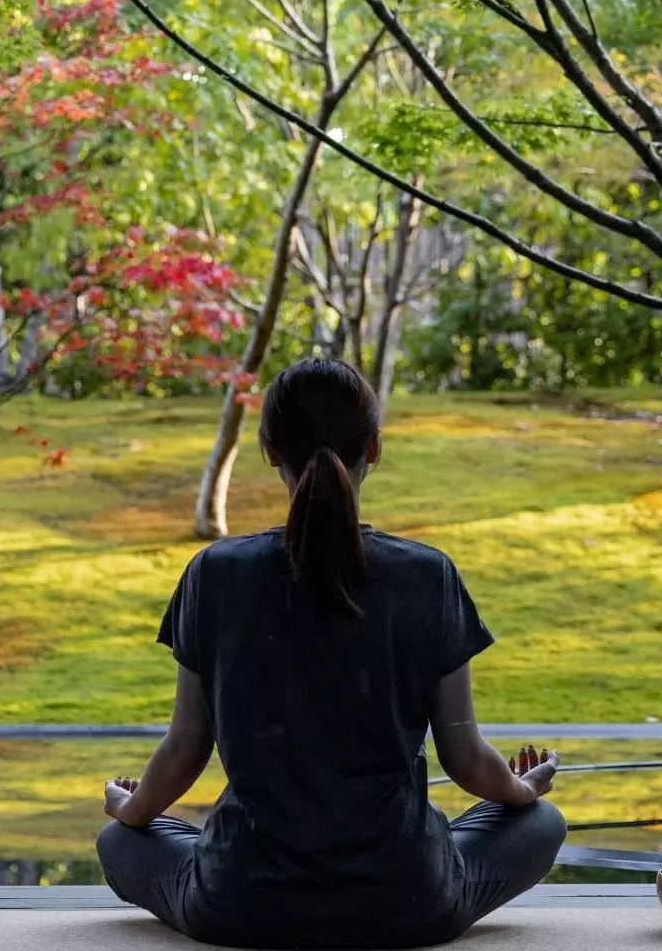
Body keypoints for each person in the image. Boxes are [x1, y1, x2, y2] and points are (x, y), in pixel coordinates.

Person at [96, 358, 565, 949]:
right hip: (406, 902)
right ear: (374, 447)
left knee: (118, 841)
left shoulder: (214, 573)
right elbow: (466, 759)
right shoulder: (427, 576)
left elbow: (187, 748)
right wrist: (527, 791)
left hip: (242, 903)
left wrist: (132, 809)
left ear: (269, 451)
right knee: (542, 823)